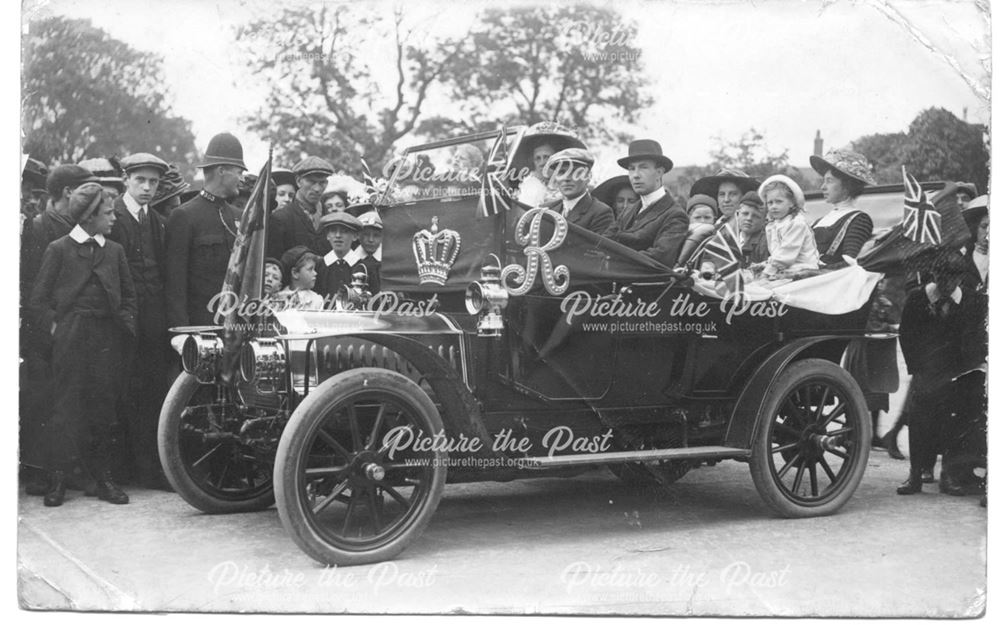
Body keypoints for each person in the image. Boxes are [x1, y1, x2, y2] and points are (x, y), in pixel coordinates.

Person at [30, 182, 137, 506]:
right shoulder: (59, 249)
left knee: (104, 407)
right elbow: (39, 299)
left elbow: (129, 296)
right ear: (89, 217)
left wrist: (125, 326)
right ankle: (58, 479)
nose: (113, 218)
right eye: (107, 213)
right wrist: (55, 328)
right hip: (71, 335)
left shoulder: (114, 250)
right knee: (66, 407)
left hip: (106, 336)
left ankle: (103, 478)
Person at [896, 251, 987, 497]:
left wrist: (966, 370)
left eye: (953, 281)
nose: (947, 286)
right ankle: (915, 475)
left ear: (960, 279)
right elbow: (907, 336)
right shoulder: (918, 298)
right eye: (942, 280)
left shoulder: (974, 301)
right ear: (934, 275)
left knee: (958, 420)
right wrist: (918, 370)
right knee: (920, 418)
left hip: (961, 372)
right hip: (928, 370)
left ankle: (949, 475)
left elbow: (978, 339)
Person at [107, 152, 172, 489]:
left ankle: (149, 468)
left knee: (152, 390)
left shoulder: (158, 221)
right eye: (141, 181)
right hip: (121, 321)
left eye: (154, 182)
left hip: (153, 321)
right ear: (126, 180)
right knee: (122, 391)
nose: (147, 188)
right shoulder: (111, 217)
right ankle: (123, 470)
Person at [165, 132, 246, 328]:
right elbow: (174, 283)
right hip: (200, 328)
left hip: (236, 328)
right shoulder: (184, 216)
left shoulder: (240, 217)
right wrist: (181, 331)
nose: (242, 179)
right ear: (221, 170)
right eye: (239, 172)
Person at [606, 139, 689, 266]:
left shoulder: (675, 215)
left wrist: (611, 260)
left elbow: (659, 258)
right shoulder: (629, 210)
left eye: (643, 167)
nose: (635, 175)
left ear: (659, 172)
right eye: (631, 169)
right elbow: (604, 240)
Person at [809, 148, 876, 267]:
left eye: (829, 181)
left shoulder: (859, 220)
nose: (822, 187)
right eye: (824, 181)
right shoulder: (819, 221)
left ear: (847, 185)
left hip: (829, 282)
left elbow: (851, 266)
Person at [267, 156, 334, 259]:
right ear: (298, 181)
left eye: (322, 183)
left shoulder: (333, 219)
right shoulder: (280, 219)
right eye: (311, 182)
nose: (317, 189)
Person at [755, 175, 819, 279]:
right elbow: (777, 253)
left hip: (803, 269)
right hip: (785, 268)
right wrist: (766, 264)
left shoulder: (796, 223)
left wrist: (767, 272)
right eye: (770, 203)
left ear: (792, 203)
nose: (773, 206)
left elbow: (786, 253)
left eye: (778, 201)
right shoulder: (773, 225)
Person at [541, 148, 615, 236]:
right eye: (561, 172)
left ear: (588, 176)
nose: (566, 178)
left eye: (574, 172)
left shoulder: (600, 213)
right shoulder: (547, 209)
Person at [510, 122, 585, 206]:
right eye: (538, 158)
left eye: (546, 157)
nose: (542, 163)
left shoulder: (571, 184)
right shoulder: (531, 187)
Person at [316, 211, 362, 299]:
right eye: (333, 231)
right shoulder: (319, 266)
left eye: (344, 231)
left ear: (355, 236)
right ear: (327, 236)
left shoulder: (363, 267)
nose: (338, 235)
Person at [690, 168, 759, 226]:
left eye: (733, 194)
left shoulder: (752, 227)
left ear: (744, 197)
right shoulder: (714, 226)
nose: (726, 200)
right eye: (722, 194)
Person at [344, 206, 383, 295]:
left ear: (383, 237)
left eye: (376, 235)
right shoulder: (351, 259)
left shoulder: (388, 259)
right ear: (358, 235)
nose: (371, 240)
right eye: (366, 235)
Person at [276, 246, 325, 310]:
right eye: (310, 269)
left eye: (314, 269)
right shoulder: (278, 298)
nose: (315, 273)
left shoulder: (317, 300)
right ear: (295, 273)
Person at [735, 191, 769, 264]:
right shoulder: (729, 236)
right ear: (737, 214)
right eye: (745, 213)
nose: (749, 218)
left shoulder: (765, 243)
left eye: (755, 216)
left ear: (764, 220)